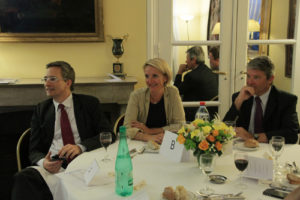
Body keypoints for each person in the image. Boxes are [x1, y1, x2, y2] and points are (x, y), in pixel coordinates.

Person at [11, 61, 115, 200]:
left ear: (68, 82)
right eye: (45, 79)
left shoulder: (89, 104)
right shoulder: (41, 109)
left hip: (84, 164)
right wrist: (44, 163)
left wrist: (80, 147)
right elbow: (33, 150)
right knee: (22, 178)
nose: (47, 84)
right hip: (53, 167)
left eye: (52, 79)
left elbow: (108, 135)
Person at [224, 56, 299, 144]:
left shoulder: (286, 100)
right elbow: (223, 129)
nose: (249, 82)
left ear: (270, 79)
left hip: (270, 151)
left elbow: (292, 134)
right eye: (248, 76)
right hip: (243, 149)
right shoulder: (240, 96)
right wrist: (238, 101)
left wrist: (253, 137)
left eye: (256, 77)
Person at [124, 58, 185, 144]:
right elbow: (127, 128)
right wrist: (150, 137)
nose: (149, 81)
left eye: (155, 76)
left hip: (167, 141)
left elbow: (181, 125)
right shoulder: (136, 96)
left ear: (165, 78)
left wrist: (150, 131)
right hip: (142, 143)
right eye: (147, 76)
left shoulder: (173, 93)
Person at [174, 46, 218, 121]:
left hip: (195, 115)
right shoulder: (211, 73)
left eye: (187, 59)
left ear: (193, 59)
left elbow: (176, 92)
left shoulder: (191, 76)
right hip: (212, 113)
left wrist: (179, 72)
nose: (186, 61)